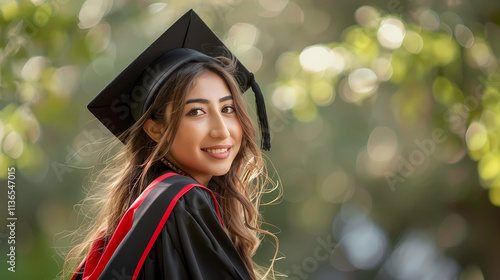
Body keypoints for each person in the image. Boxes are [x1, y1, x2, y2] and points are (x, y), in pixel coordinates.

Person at [63, 9, 279, 280]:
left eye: (228, 108)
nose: (221, 130)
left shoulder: (143, 212)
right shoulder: (184, 202)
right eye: (196, 112)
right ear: (155, 129)